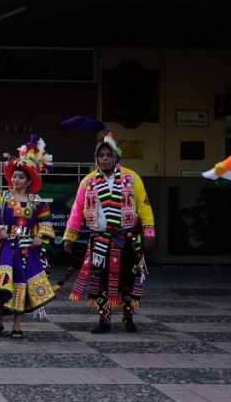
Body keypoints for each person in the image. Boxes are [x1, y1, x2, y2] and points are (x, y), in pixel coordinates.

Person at [65, 131, 155, 334]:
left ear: (116, 158)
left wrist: (149, 233)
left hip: (127, 238)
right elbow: (77, 211)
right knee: (100, 281)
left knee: (128, 281)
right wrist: (70, 237)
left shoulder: (132, 178)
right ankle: (104, 319)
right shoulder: (87, 182)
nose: (104, 159)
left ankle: (128, 317)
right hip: (100, 240)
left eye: (108, 155)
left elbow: (144, 205)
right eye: (100, 155)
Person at [0, 135, 56, 339]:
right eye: (14, 176)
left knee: (21, 284)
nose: (16, 180)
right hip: (4, 248)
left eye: (21, 177)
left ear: (29, 180)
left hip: (26, 249)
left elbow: (46, 223)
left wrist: (39, 238)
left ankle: (17, 325)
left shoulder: (37, 201)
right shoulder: (2, 197)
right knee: (0, 284)